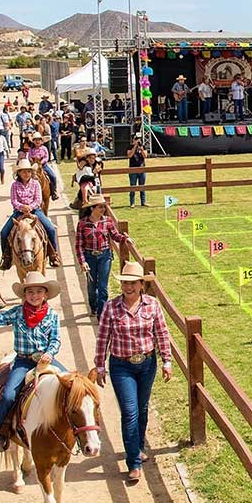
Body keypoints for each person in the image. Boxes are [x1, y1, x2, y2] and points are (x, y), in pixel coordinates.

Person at [93, 261, 173, 482]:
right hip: (121, 365)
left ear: (141, 285)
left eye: (133, 283)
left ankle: (137, 446)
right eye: (125, 283)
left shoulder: (152, 305)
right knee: (130, 411)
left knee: (142, 407)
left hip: (147, 363)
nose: (128, 287)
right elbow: (103, 338)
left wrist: (167, 360)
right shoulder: (111, 307)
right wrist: (100, 365)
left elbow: (162, 333)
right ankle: (133, 462)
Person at [0, 271, 67, 451]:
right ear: (24, 295)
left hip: (46, 361)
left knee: (71, 385)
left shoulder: (52, 315)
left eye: (39, 292)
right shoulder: (17, 313)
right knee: (8, 395)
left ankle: (75, 429)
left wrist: (50, 353)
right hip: (23, 361)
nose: (34, 296)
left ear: (45, 294)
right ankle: (0, 430)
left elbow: (55, 340)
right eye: (30, 292)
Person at [0, 160, 61, 270]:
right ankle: (6, 257)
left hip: (35, 210)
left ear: (31, 172)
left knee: (51, 229)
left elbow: (38, 199)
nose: (26, 174)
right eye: (23, 172)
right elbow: (14, 201)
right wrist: (22, 207)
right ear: (18, 173)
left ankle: (53, 255)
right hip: (19, 211)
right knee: (4, 232)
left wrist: (30, 208)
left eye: (28, 171)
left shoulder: (36, 184)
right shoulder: (14, 185)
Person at [76, 194, 128, 318]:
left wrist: (125, 238)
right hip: (89, 257)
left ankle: (102, 315)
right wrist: (83, 262)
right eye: (100, 207)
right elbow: (78, 245)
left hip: (105, 256)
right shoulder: (83, 223)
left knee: (103, 286)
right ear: (92, 208)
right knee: (91, 287)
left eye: (103, 207)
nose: (103, 209)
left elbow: (115, 235)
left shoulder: (107, 221)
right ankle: (93, 306)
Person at [28, 132, 59, 200]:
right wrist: (32, 161)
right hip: (33, 167)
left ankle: (54, 192)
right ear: (33, 141)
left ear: (41, 141)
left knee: (53, 177)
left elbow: (46, 157)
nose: (37, 141)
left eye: (39, 140)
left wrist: (41, 162)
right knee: (26, 177)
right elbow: (29, 156)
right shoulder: (31, 149)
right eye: (36, 140)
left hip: (43, 165)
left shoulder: (44, 148)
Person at [127, 137, 148, 207]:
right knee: (132, 186)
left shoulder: (143, 146)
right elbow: (129, 155)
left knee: (142, 186)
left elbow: (145, 156)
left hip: (142, 168)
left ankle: (143, 202)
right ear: (133, 140)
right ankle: (132, 203)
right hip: (133, 169)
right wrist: (135, 147)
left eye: (138, 139)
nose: (137, 141)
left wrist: (141, 149)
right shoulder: (130, 147)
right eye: (136, 139)